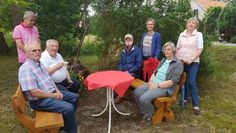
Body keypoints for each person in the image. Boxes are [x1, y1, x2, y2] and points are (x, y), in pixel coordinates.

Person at [18, 42, 79, 133]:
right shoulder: (26, 69)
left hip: (51, 93)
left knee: (75, 97)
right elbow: (34, 92)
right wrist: (54, 95)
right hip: (39, 101)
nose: (37, 52)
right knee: (69, 108)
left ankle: (66, 123)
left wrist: (57, 91)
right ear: (26, 53)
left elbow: (49, 79)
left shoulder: (39, 64)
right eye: (34, 50)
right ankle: (71, 130)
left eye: (39, 50)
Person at [134, 42, 183, 121]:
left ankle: (150, 113)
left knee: (143, 99)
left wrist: (156, 85)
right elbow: (154, 73)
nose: (166, 51)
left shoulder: (178, 64)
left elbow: (172, 82)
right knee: (136, 92)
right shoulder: (163, 60)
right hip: (154, 83)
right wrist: (150, 82)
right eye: (165, 49)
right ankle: (145, 111)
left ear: (173, 50)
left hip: (165, 88)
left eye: (169, 49)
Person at [176, 17, 203, 115]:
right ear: (186, 24)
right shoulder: (181, 34)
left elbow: (200, 49)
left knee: (191, 82)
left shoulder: (198, 35)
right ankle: (185, 99)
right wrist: (179, 59)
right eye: (189, 22)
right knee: (182, 81)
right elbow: (177, 47)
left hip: (193, 62)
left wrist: (191, 59)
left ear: (196, 26)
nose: (191, 24)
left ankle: (196, 105)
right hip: (181, 61)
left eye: (193, 23)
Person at [115, 34, 143, 103]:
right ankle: (120, 93)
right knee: (116, 76)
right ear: (125, 41)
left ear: (132, 40)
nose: (128, 41)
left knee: (124, 79)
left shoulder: (137, 50)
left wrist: (129, 71)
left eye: (129, 39)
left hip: (133, 72)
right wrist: (120, 71)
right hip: (123, 71)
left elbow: (138, 65)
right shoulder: (123, 51)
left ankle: (120, 96)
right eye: (126, 40)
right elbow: (120, 63)